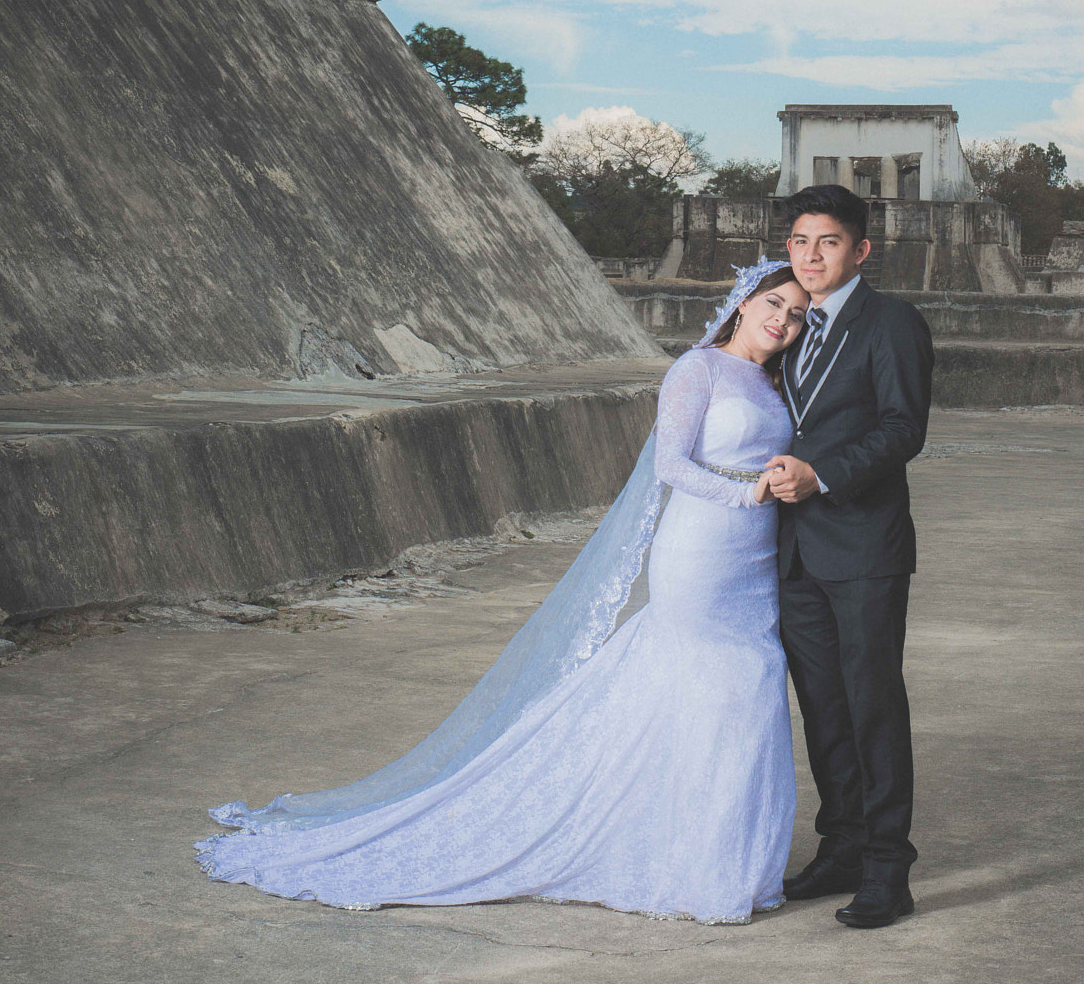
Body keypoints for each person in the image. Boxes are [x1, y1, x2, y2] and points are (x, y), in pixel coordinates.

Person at [196, 261, 808, 925]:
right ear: (741, 301)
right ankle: (688, 860)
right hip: (700, 552)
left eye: (797, 313)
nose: (782, 320)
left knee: (733, 698)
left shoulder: (774, 380)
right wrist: (745, 491)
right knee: (723, 685)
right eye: (773, 302)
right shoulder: (697, 369)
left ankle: (707, 856)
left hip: (755, 559)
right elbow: (669, 463)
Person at [764, 183, 933, 930]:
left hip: (863, 546)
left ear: (859, 250)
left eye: (827, 242)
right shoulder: (788, 322)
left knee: (870, 705)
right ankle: (840, 847)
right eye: (799, 242)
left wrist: (822, 476)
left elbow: (903, 427)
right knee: (822, 708)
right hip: (794, 552)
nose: (810, 256)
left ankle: (887, 869)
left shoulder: (889, 321)